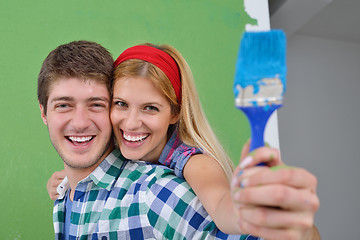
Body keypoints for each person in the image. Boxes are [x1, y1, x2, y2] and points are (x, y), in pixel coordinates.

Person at [44, 41, 320, 239]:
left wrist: (267, 215)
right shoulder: (76, 188)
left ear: (175, 112)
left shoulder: (181, 170)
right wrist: (66, 186)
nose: (130, 122)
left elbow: (224, 208)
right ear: (43, 112)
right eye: (121, 104)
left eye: (150, 108)